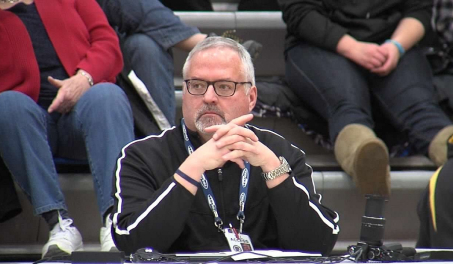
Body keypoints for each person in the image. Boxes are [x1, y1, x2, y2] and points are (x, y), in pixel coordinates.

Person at [111, 37, 339, 255]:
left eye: (224, 86)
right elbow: (132, 242)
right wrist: (193, 167)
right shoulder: (141, 156)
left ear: (251, 98)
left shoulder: (280, 153)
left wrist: (274, 170)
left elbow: (318, 244)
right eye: (197, 85)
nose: (209, 97)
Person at [0, 0, 135, 259]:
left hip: (84, 112)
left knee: (107, 95)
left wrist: (84, 79)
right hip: (26, 125)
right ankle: (59, 224)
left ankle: (117, 221)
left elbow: (106, 41)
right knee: (7, 104)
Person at [278, 0, 453, 197]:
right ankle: (364, 155)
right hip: (319, 44)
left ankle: (446, 146)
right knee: (347, 104)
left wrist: (396, 46)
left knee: (421, 108)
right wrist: (353, 48)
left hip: (394, 43)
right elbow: (300, 11)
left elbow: (420, 9)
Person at [96, 0, 262, 133]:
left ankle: (164, 140)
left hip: (113, 46)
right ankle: (209, 42)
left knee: (144, 45)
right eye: (196, 85)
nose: (209, 97)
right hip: (85, 76)